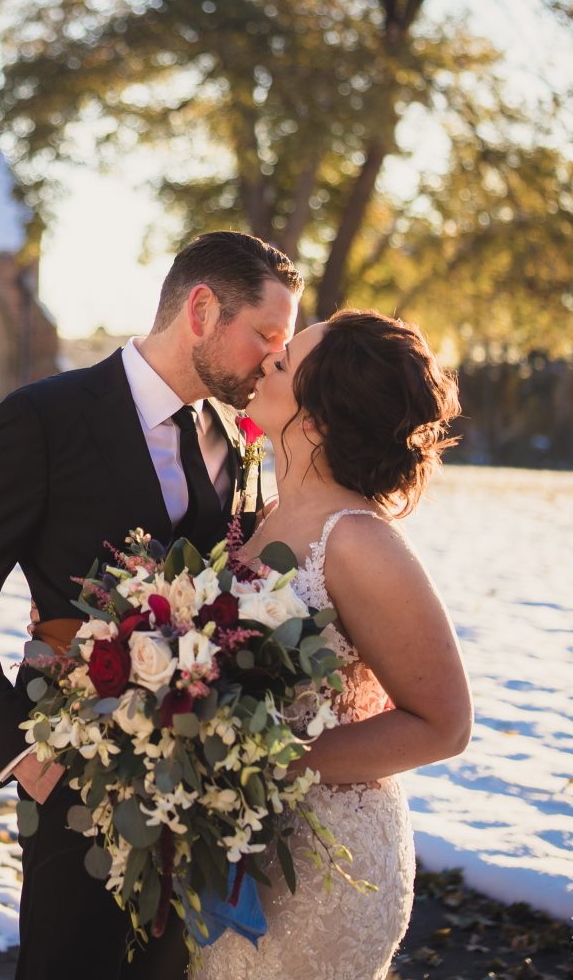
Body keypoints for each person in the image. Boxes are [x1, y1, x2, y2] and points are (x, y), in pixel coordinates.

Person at [0, 231, 303, 980]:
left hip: (208, 775)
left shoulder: (245, 441)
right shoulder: (45, 418)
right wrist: (15, 750)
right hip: (74, 772)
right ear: (200, 310)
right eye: (264, 335)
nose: (272, 358)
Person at [197, 309, 473, 980]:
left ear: (316, 419)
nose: (267, 362)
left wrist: (272, 763)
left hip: (326, 868)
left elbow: (445, 725)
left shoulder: (358, 542)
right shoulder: (257, 514)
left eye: (285, 363)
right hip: (238, 851)